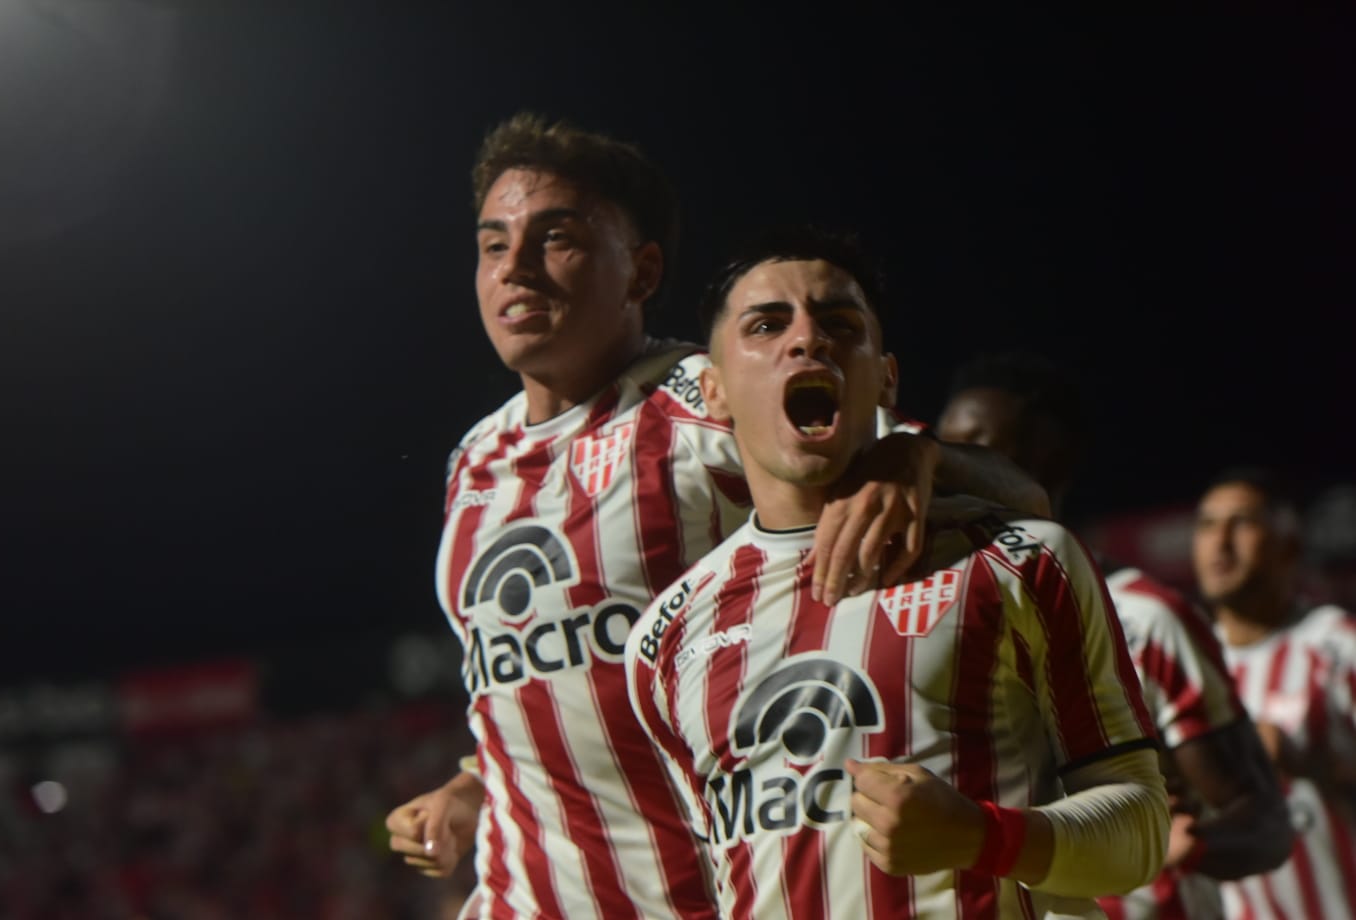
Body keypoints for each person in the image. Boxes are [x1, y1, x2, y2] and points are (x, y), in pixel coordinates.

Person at [384, 113, 1050, 919]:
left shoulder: (711, 398)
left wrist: (917, 455)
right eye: (494, 245)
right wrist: (470, 787)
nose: (515, 268)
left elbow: (1022, 497)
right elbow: (532, 691)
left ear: (641, 271)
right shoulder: (473, 460)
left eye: (555, 238)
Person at [626, 226, 1170, 918]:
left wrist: (982, 836)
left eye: (839, 323)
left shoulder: (1018, 559)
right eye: (766, 325)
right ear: (714, 391)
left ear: (886, 379)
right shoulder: (664, 639)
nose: (807, 339)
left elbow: (1141, 828)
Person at [936, 352, 1292, 919]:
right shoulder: (931, 616)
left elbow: (1266, 822)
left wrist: (1192, 845)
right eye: (943, 447)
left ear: (1048, 462)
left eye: (976, 448)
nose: (948, 467)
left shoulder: (1145, 617)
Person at [1192, 468, 1356, 919]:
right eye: (1207, 525)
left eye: (1242, 522)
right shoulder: (1188, 661)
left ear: (1290, 547)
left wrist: (1314, 765)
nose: (1220, 541)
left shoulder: (1338, 647)